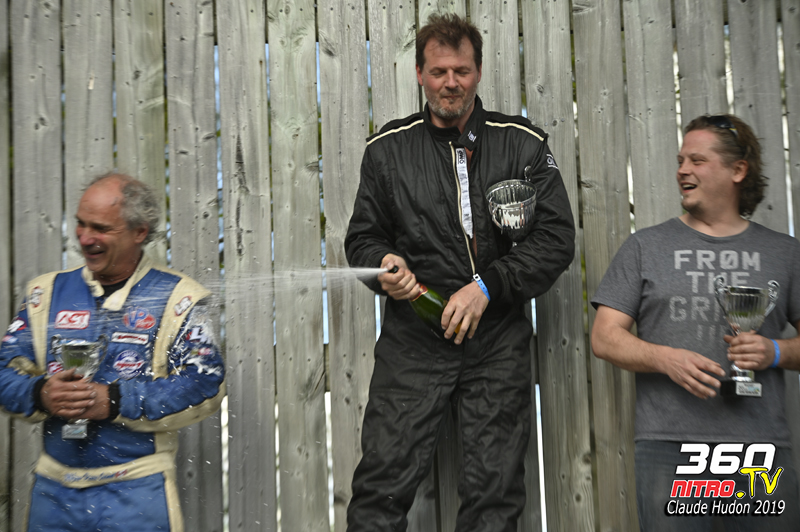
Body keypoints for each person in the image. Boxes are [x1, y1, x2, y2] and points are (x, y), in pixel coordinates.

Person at [344, 13, 575, 532]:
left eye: (462, 71)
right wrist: (385, 267)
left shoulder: (523, 144)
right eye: (439, 71)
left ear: (478, 72)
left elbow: (556, 239)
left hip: (497, 342)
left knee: (494, 499)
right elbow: (363, 239)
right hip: (413, 342)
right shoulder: (386, 150)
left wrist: (488, 287)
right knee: (379, 490)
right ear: (420, 74)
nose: (451, 82)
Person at [591, 114, 800, 531]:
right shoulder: (645, 247)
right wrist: (665, 359)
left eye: (697, 161)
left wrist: (774, 351)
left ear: (738, 170)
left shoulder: (784, 253)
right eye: (680, 161)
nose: (683, 170)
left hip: (760, 450)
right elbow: (604, 337)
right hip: (669, 451)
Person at [0, 174, 226, 532]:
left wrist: (117, 400)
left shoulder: (181, 298)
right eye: (81, 223)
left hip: (137, 491)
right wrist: (40, 393)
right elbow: (3, 373)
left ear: (140, 232)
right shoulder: (44, 293)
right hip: (53, 494)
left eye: (101, 229)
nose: (85, 238)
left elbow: (205, 382)